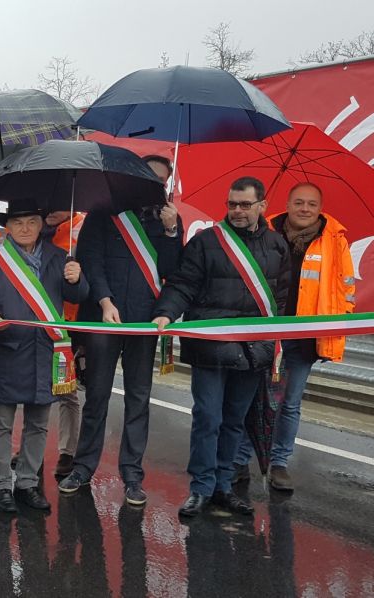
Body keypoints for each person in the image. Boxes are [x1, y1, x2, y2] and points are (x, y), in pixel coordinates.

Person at [152, 176, 290, 518]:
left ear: (262, 206)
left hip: (252, 351)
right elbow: (183, 284)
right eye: (232, 204)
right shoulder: (206, 242)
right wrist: (166, 313)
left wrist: (276, 339)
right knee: (207, 418)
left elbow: (282, 299)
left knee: (234, 421)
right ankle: (200, 487)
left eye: (245, 205)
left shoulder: (277, 246)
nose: (238, 211)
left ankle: (223, 487)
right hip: (211, 348)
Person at [60, 157, 183, 507]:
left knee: (138, 399)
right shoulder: (104, 212)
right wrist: (103, 300)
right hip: (106, 317)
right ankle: (83, 467)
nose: (155, 184)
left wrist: (173, 232)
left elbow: (174, 271)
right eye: (150, 177)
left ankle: (132, 475)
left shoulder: (170, 218)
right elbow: (91, 259)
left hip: (145, 323)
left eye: (162, 180)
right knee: (97, 396)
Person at [233, 182, 355, 491]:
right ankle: (239, 460)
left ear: (320, 208)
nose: (304, 209)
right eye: (298, 202)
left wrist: (335, 330)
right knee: (253, 398)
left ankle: (280, 463)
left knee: (289, 403)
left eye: (311, 204)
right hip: (265, 332)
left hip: (305, 338)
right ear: (287, 203)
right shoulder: (264, 232)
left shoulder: (335, 240)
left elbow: (346, 289)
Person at [0, 199, 88, 513]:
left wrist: (76, 278)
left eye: (31, 222)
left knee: (39, 423)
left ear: (41, 225)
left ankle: (27, 482)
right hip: (7, 348)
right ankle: (1, 484)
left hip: (46, 350)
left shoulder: (60, 257)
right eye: (17, 223)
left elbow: (78, 296)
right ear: (7, 227)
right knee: (0, 422)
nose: (25, 228)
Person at [42, 209, 87, 477]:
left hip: (68, 327)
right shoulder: (35, 228)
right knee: (33, 389)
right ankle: (29, 447)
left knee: (67, 392)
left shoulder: (82, 229)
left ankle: (67, 452)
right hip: (36, 324)